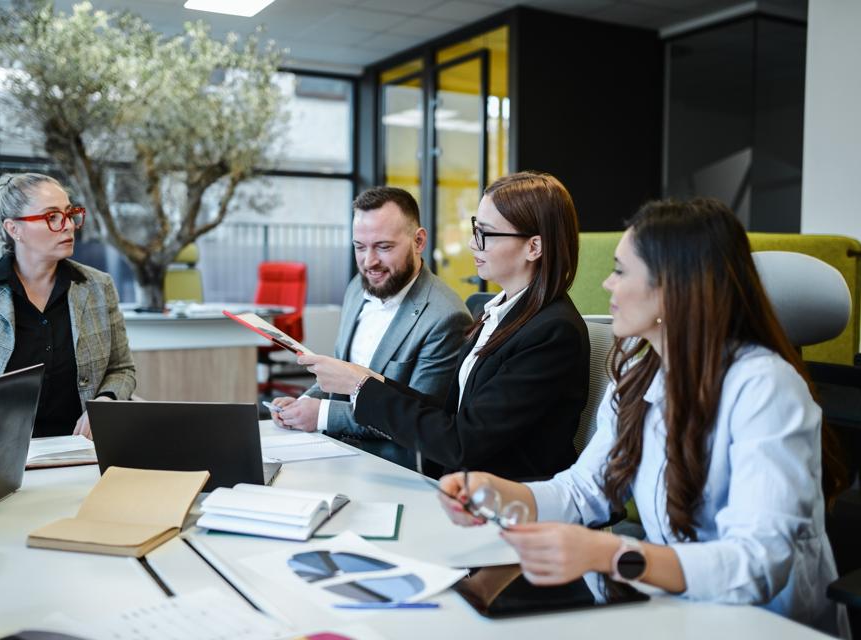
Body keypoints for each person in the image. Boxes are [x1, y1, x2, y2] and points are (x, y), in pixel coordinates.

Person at [436, 198, 848, 636]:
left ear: (672, 288)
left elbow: (757, 564)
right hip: (676, 611)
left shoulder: (766, 388)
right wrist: (497, 494)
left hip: (764, 624)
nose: (608, 284)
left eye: (621, 271)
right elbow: (584, 491)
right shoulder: (640, 371)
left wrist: (611, 554)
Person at [299, 172, 590, 480]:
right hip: (465, 490)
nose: (471, 243)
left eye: (486, 234)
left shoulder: (553, 332)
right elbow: (450, 412)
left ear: (534, 247)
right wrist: (365, 380)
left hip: (509, 502)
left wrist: (360, 387)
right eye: (476, 229)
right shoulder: (496, 311)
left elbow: (463, 442)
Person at [0, 173, 136, 440]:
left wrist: (105, 402)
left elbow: (121, 369)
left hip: (79, 449)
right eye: (51, 217)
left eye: (69, 214)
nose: (68, 226)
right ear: (13, 229)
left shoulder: (98, 286)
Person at [272, 187, 470, 470]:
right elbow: (339, 376)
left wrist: (322, 414)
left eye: (384, 247)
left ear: (419, 241)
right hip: (332, 452)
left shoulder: (446, 317)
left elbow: (420, 418)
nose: (369, 262)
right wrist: (302, 404)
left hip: (392, 467)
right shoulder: (357, 288)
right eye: (360, 247)